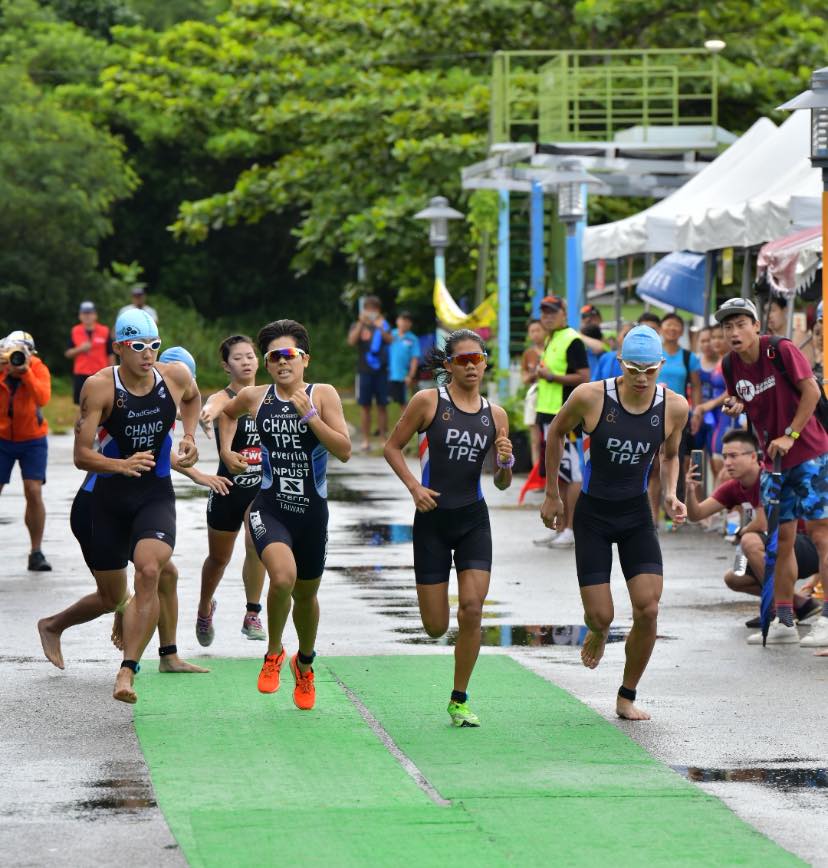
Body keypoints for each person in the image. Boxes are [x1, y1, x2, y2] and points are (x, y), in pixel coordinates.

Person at [540, 325, 688, 720]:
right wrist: (553, 493)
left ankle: (627, 694)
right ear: (620, 362)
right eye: (633, 369)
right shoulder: (590, 397)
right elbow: (555, 433)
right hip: (594, 514)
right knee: (601, 614)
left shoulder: (674, 407)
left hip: (636, 514)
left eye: (650, 371)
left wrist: (671, 493)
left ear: (661, 366)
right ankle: (598, 630)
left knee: (648, 608)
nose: (641, 379)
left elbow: (670, 455)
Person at [66, 309, 201, 702]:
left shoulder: (174, 375)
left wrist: (189, 436)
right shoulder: (99, 387)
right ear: (120, 348)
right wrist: (120, 464)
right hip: (109, 498)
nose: (149, 354)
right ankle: (55, 626)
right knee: (111, 595)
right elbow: (80, 455)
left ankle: (127, 670)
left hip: (154, 495)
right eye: (139, 346)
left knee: (149, 570)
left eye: (155, 345)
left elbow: (192, 400)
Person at [384, 328, 513, 727]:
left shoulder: (497, 415)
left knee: (472, 609)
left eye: (478, 358)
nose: (472, 366)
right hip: (432, 521)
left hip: (473, 519)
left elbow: (502, 483)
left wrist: (506, 463)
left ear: (486, 362)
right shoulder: (429, 402)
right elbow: (392, 447)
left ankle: (459, 697)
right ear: (449, 365)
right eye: (463, 360)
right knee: (436, 625)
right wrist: (414, 487)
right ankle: (434, 604)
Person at [220, 319, 351, 711]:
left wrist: (311, 417)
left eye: (288, 355)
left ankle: (304, 662)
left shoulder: (322, 394)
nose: (280, 363)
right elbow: (227, 414)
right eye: (273, 356)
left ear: (304, 359)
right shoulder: (256, 397)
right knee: (282, 577)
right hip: (269, 507)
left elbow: (344, 449)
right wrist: (227, 452)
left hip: (312, 514)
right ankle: (274, 652)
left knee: (306, 596)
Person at [716, 297, 828, 648]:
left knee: (823, 537)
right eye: (727, 326)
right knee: (781, 543)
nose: (734, 332)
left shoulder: (779, 349)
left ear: (755, 327)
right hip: (774, 463)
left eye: (740, 324)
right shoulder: (730, 365)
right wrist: (736, 404)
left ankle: (825, 618)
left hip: (810, 453)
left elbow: (811, 390)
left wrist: (790, 434)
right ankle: (785, 620)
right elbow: (742, 399)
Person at [684, 428, 820, 626]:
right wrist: (690, 490)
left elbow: (763, 522)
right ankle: (798, 603)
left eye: (733, 456)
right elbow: (696, 515)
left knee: (749, 540)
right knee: (733, 577)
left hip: (802, 546)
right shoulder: (733, 487)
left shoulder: (769, 475)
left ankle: (778, 610)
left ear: (753, 457)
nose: (727, 462)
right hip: (772, 548)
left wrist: (741, 532)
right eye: (724, 456)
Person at [194, 335, 266, 645]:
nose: (246, 361)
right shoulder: (225, 397)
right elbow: (216, 403)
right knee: (218, 558)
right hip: (227, 489)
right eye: (238, 358)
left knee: (256, 543)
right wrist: (207, 412)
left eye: (250, 356)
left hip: (259, 489)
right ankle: (204, 606)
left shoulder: (268, 396)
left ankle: (252, 612)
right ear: (226, 365)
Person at [532, 295, 590, 548]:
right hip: (549, 414)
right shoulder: (552, 338)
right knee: (561, 474)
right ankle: (561, 527)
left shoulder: (572, 339)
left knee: (573, 472)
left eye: (552, 312)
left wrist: (552, 377)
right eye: (544, 312)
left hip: (565, 418)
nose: (547, 316)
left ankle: (572, 529)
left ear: (564, 313)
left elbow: (583, 377)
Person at [0, 331, 52, 571]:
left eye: (23, 353)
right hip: (2, 438)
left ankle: (36, 551)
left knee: (33, 491)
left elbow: (42, 397)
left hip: (33, 438)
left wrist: (26, 372)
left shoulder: (38, 368)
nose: (17, 357)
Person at [649, 313, 701, 521]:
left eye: (676, 326)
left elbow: (696, 386)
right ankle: (653, 515)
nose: (672, 329)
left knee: (673, 462)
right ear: (661, 328)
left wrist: (695, 411)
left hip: (677, 417)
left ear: (681, 331)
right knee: (652, 468)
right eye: (668, 325)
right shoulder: (653, 354)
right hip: (651, 415)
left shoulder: (689, 358)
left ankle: (673, 511)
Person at [347, 295, 392, 451]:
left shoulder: (384, 324)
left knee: (382, 406)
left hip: (382, 371)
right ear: (364, 310)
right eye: (368, 308)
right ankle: (366, 440)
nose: (371, 311)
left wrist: (380, 327)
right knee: (365, 406)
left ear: (378, 311)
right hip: (364, 371)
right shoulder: (358, 325)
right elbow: (351, 341)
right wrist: (361, 323)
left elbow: (390, 340)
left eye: (374, 309)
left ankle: (383, 439)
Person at [65, 302, 114, 405]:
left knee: (101, 403)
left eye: (90, 313)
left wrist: (113, 373)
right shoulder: (75, 331)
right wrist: (80, 349)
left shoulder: (104, 330)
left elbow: (110, 353)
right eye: (84, 313)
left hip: (100, 374)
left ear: (95, 315)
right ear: (80, 316)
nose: (87, 316)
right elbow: (68, 353)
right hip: (81, 374)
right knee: (80, 405)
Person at [521, 319, 547, 466]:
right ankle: (536, 474)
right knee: (535, 440)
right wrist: (536, 373)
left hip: (551, 396)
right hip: (534, 395)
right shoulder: (528, 354)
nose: (535, 334)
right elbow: (524, 378)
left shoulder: (552, 349)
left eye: (538, 330)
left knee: (549, 438)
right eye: (532, 331)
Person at [388, 311, 420, 411]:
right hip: (388, 375)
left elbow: (415, 359)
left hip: (403, 376)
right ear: (397, 321)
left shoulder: (413, 339)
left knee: (405, 404)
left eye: (408, 321)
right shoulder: (390, 335)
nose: (405, 323)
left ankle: (407, 425)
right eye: (403, 320)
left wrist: (410, 376)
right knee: (383, 403)